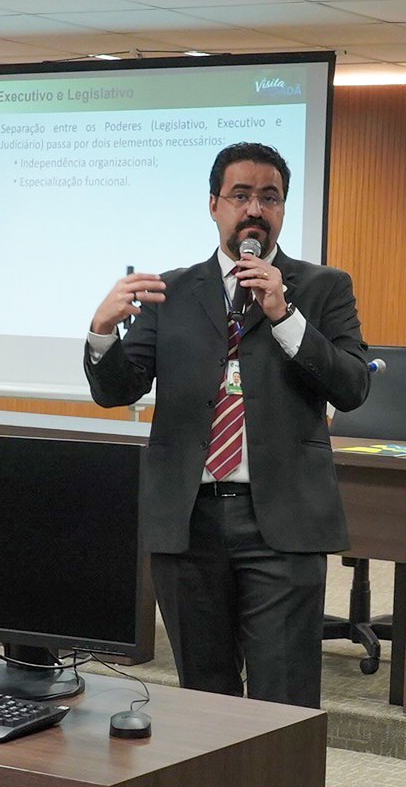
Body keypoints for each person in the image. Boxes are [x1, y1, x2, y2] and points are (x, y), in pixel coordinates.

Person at [84, 141, 374, 708]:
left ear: (283, 209)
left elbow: (352, 386)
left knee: (282, 700)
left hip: (282, 524)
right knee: (203, 700)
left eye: (270, 197)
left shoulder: (322, 288)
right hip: (187, 522)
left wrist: (285, 316)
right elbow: (116, 390)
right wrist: (100, 331)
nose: (255, 209)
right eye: (241, 196)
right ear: (214, 205)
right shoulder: (171, 293)